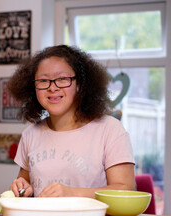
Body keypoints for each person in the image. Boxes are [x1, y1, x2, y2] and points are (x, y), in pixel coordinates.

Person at [7, 45, 135, 198]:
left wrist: (72, 193)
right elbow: (25, 185)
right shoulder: (30, 134)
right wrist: (21, 188)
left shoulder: (110, 129)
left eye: (62, 79)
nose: (52, 88)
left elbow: (125, 189)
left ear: (80, 84)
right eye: (43, 80)